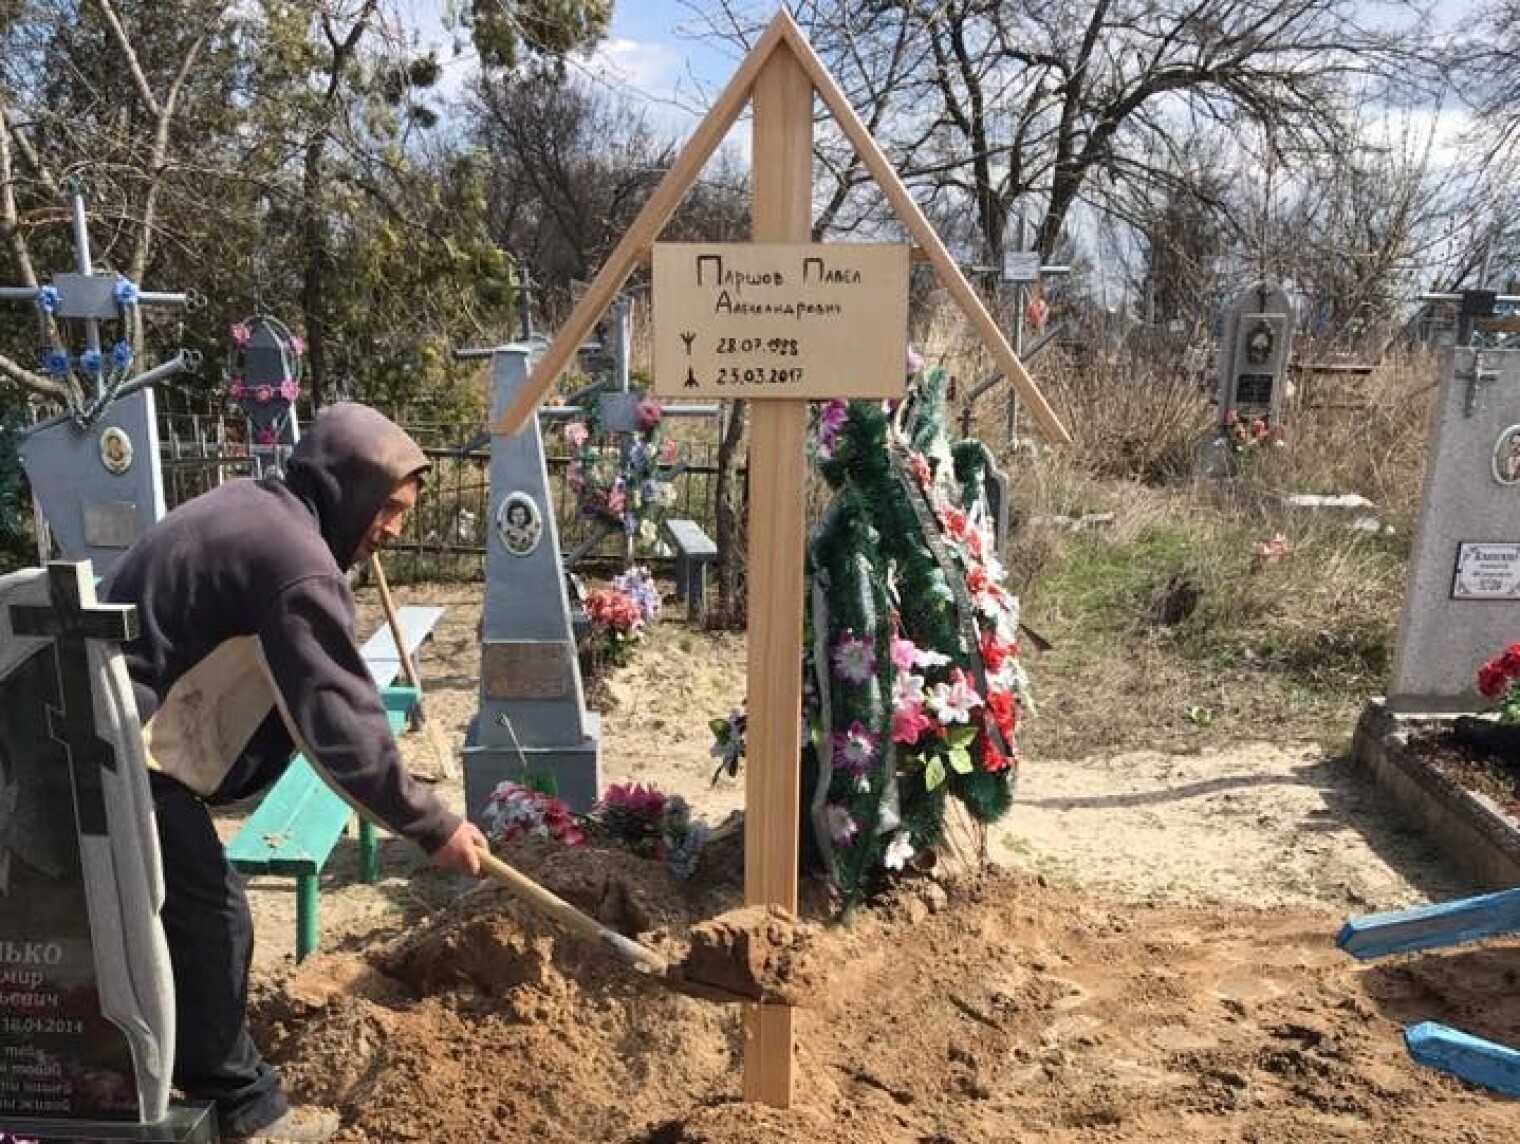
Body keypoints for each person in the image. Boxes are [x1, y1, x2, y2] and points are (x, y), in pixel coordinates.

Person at [104, 403, 487, 1143]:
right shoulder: (295, 561)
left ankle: (190, 1069)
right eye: (391, 509)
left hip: (111, 732)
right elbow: (338, 721)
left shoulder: (265, 516)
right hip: (117, 750)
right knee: (213, 914)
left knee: (194, 913)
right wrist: (431, 824)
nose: (395, 529)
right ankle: (243, 1108)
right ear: (349, 487)